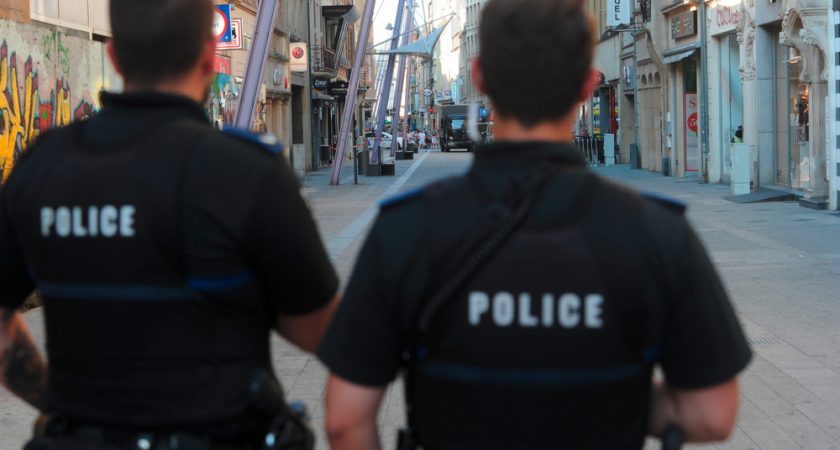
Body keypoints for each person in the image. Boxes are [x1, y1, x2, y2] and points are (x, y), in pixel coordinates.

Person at [316, 0, 751, 449]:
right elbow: (711, 414)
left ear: (479, 77)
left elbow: (345, 420)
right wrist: (619, 397)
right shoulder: (657, 232)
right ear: (587, 84)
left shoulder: (406, 228)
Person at [0, 0, 339, 448]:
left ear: (115, 55)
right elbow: (326, 333)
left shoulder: (43, 166)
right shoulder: (248, 172)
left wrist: (59, 405)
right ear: (208, 57)